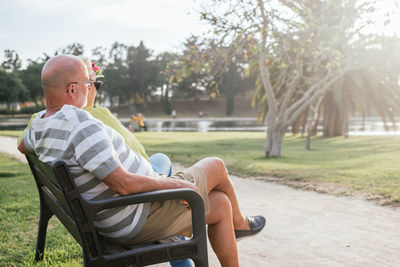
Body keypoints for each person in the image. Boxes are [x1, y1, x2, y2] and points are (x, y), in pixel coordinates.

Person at [18, 55, 266, 267]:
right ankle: (241, 225)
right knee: (216, 165)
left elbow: (22, 145)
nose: (91, 87)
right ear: (72, 89)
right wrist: (176, 186)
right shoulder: (81, 125)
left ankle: (238, 224)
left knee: (221, 204)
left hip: (111, 215)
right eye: (88, 82)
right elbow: (123, 185)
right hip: (132, 217)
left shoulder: (40, 123)